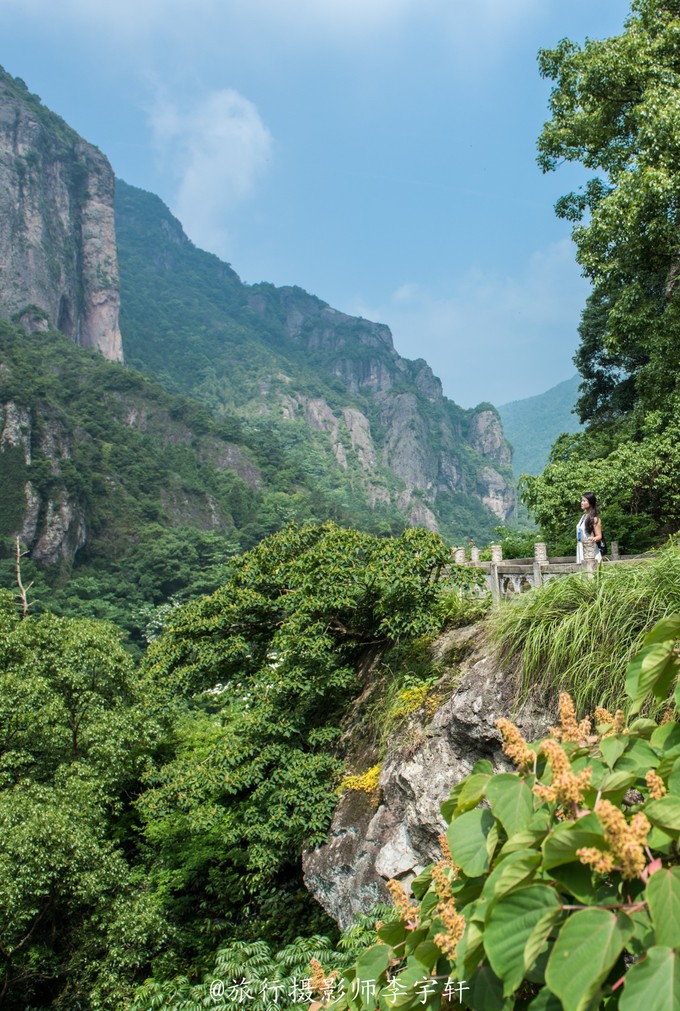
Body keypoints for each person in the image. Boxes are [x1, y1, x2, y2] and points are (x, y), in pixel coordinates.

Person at [576, 492, 603, 564]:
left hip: (590, 550)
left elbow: (599, 536)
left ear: (590, 502)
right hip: (580, 547)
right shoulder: (583, 517)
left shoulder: (594, 518)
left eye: (584, 501)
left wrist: (592, 539)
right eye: (582, 501)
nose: (581, 503)